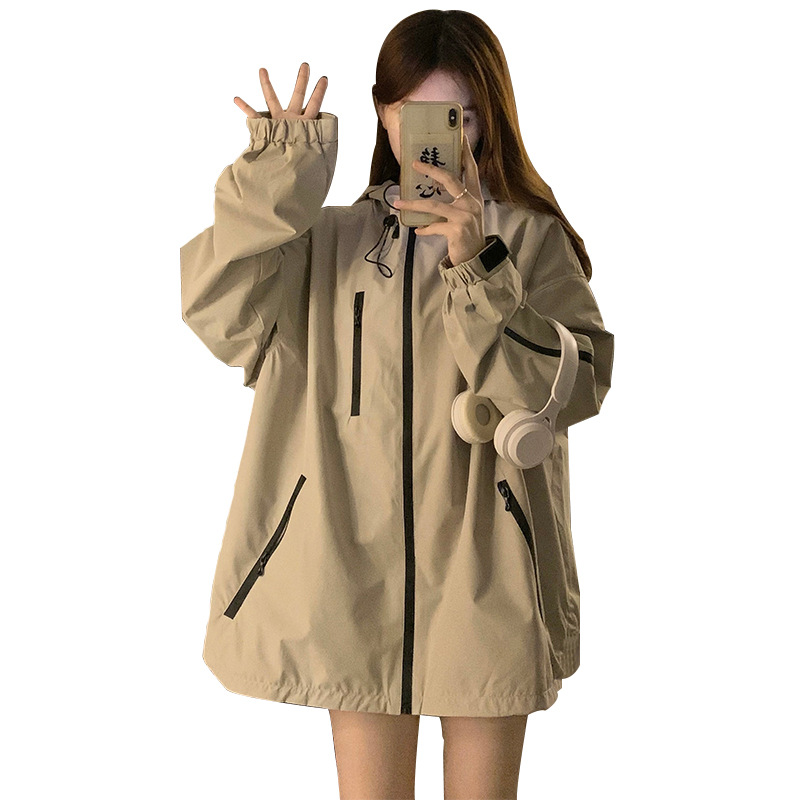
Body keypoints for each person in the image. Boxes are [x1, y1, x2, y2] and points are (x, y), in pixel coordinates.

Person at [180, 9, 614, 800]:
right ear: (384, 113)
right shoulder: (324, 243)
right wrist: (275, 180)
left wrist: (478, 265)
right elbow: (219, 311)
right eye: (419, 114)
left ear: (488, 119)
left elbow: (574, 386)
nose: (442, 139)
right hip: (350, 568)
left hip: (489, 569)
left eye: (462, 117)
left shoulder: (529, 241)